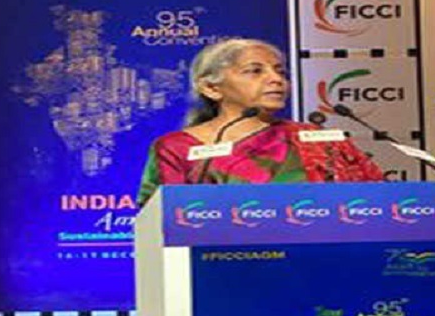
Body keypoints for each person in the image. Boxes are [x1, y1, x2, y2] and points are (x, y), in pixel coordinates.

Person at [137, 38, 383, 206]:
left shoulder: (317, 140)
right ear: (211, 88)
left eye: (281, 72)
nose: (276, 79)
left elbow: (374, 199)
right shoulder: (177, 148)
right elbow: (161, 219)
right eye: (255, 71)